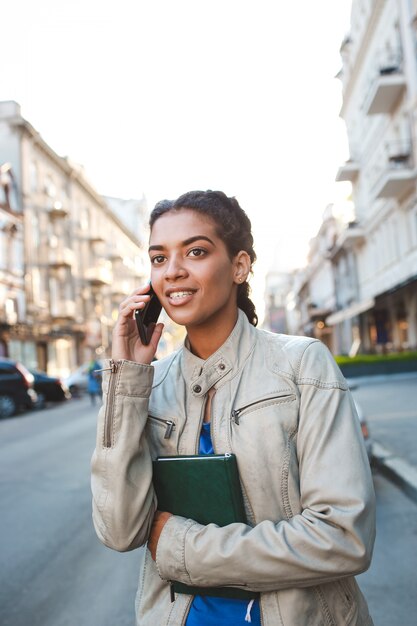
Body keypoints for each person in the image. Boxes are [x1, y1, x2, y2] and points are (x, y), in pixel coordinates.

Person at [91, 190, 376, 626]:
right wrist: (127, 379)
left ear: (240, 266)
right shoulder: (152, 383)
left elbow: (343, 537)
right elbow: (119, 530)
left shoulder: (302, 365)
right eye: (159, 258)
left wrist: (181, 547)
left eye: (196, 252)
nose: (174, 272)